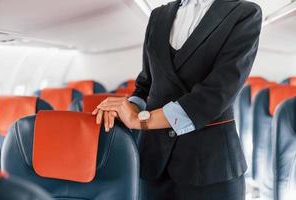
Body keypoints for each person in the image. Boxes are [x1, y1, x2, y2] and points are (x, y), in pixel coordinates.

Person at [92, 0, 262, 199]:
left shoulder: (244, 13)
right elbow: (146, 84)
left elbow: (216, 94)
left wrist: (140, 120)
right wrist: (124, 108)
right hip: (154, 164)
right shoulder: (158, 16)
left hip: (210, 166)